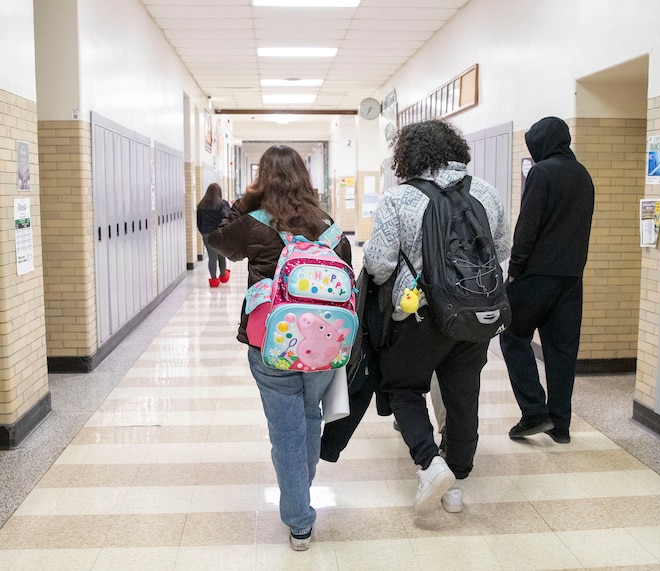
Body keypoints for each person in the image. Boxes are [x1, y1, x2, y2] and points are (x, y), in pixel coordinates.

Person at [208, 145, 352, 551]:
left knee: (285, 431)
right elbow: (348, 280)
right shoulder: (328, 226)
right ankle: (299, 492)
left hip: (270, 343)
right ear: (305, 178)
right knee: (309, 418)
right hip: (322, 346)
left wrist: (242, 202)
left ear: (263, 179)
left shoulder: (253, 223)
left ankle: (299, 518)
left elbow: (221, 244)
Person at [363, 119, 510, 514]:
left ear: (408, 155)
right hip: (475, 316)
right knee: (464, 394)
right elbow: (501, 251)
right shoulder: (487, 192)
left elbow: (378, 263)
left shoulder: (399, 199)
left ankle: (430, 463)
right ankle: (457, 481)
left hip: (419, 315)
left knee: (402, 387)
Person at [499, 116, 595, 445]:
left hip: (536, 276)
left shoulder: (541, 172)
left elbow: (528, 225)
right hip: (571, 279)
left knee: (512, 336)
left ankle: (534, 412)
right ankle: (561, 425)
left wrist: (515, 267)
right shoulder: (583, 175)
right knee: (561, 351)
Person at [196, 182, 231, 287]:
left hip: (206, 234)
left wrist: (203, 232)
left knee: (211, 257)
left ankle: (213, 279)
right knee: (221, 255)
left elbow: (199, 222)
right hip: (219, 234)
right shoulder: (222, 204)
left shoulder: (201, 205)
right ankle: (223, 275)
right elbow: (226, 218)